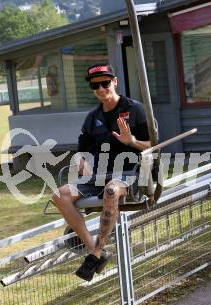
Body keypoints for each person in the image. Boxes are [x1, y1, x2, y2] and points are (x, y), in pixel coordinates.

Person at [52, 63, 151, 281]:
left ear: (114, 82)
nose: (101, 89)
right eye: (95, 85)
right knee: (59, 195)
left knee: (111, 191)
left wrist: (131, 141)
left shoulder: (135, 109)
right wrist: (80, 161)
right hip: (98, 176)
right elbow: (81, 151)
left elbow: (153, 145)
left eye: (105, 83)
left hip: (128, 173)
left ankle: (95, 254)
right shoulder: (91, 117)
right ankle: (95, 250)